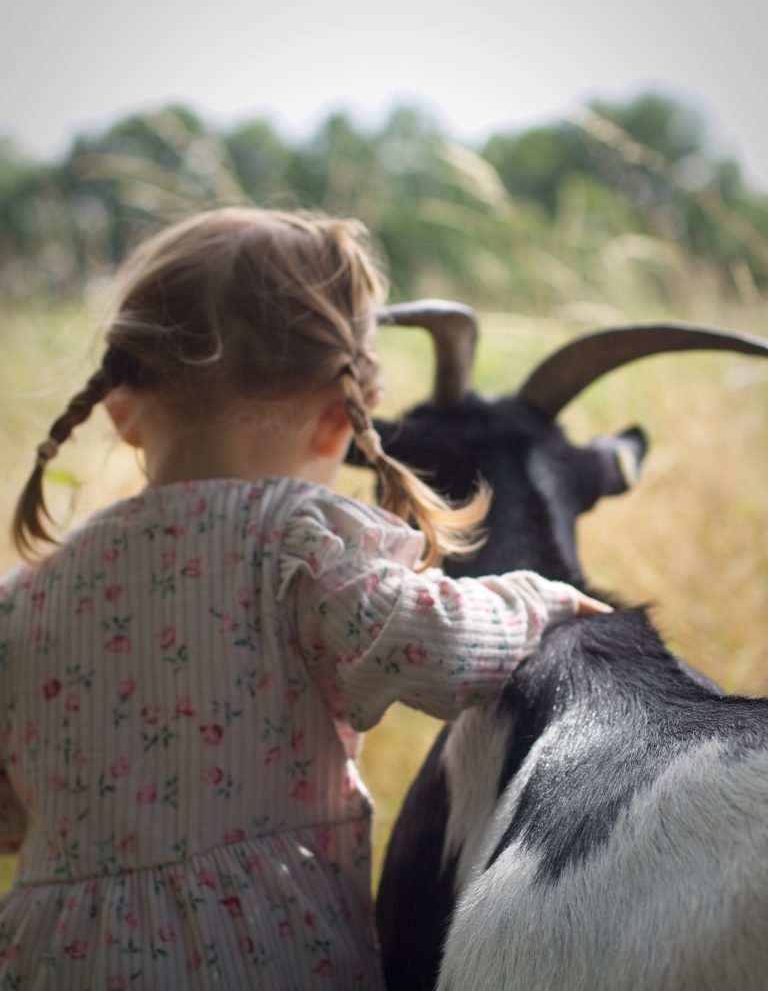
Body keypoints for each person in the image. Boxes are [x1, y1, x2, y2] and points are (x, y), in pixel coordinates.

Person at [0, 207, 609, 989]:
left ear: (121, 413)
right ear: (338, 423)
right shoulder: (295, 544)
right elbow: (438, 651)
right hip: (258, 951)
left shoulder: (24, 601)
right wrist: (537, 600)